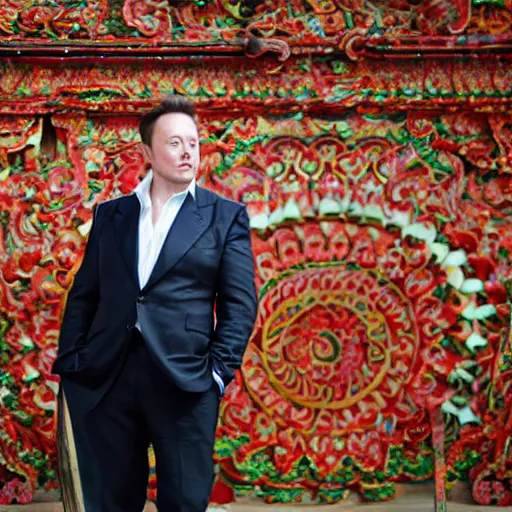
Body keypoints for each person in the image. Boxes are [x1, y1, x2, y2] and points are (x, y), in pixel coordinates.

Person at [52, 94, 258, 512]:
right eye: (174, 143)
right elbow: (84, 295)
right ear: (147, 151)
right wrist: (73, 360)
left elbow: (240, 305)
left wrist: (216, 375)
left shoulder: (224, 216)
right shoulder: (113, 215)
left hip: (186, 380)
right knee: (110, 503)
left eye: (193, 142)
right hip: (108, 376)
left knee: (184, 503)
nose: (187, 153)